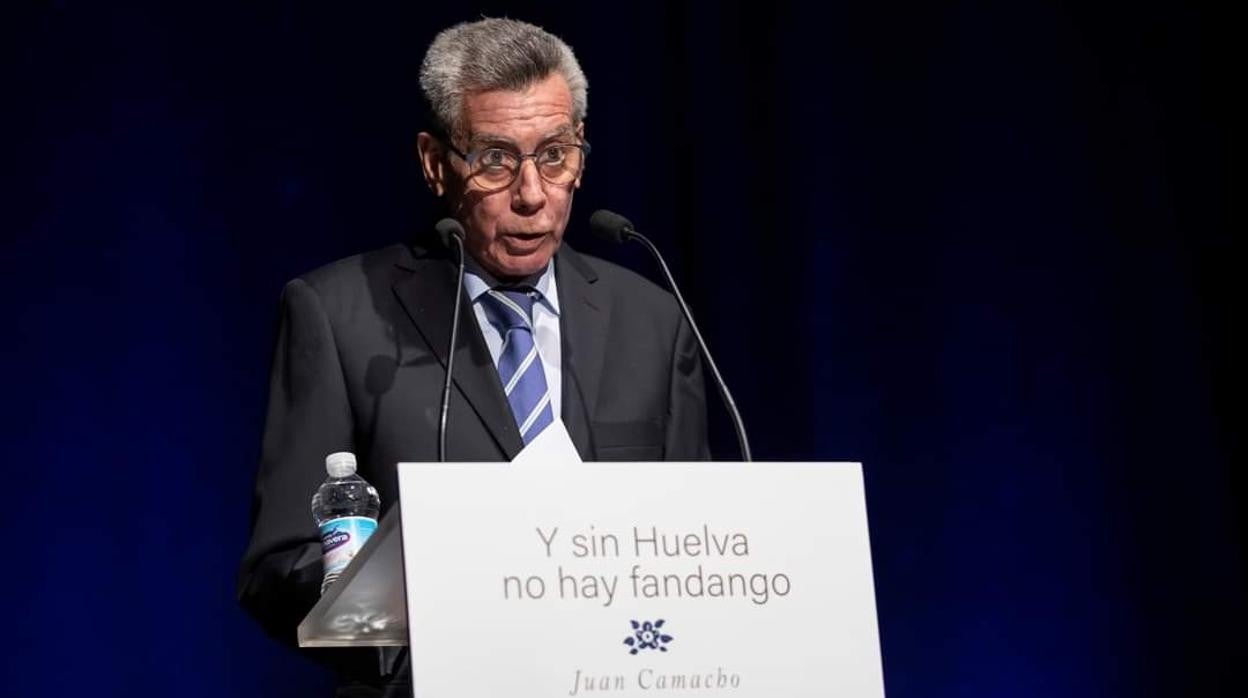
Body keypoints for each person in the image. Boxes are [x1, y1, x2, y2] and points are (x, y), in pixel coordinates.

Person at [237, 17, 710, 697]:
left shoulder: (654, 322)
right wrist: (389, 607)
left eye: (556, 155)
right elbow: (279, 565)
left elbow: (697, 545)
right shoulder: (338, 315)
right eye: (495, 159)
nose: (532, 193)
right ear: (436, 163)